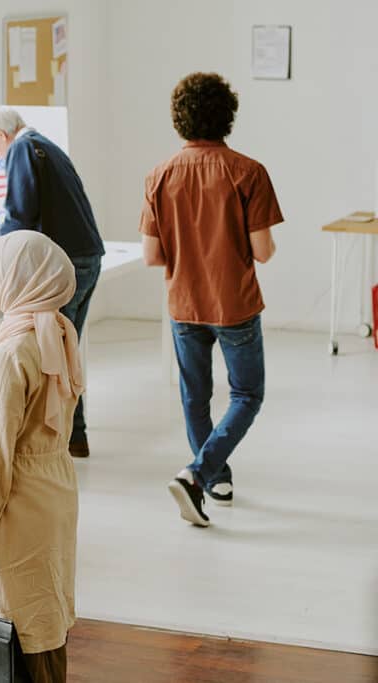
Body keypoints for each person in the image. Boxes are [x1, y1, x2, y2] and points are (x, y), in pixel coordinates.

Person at [141, 72, 283, 527]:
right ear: (228, 116)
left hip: (184, 303)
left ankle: (215, 478)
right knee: (247, 393)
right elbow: (263, 251)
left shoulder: (159, 175)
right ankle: (199, 474)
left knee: (195, 396)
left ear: (179, 119)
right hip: (235, 303)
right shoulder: (248, 171)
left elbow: (152, 256)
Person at [0, 231, 81, 683]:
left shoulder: (11, 351)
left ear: (21, 279)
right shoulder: (59, 332)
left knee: (10, 625)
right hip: (53, 496)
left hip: (15, 505)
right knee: (44, 622)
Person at [0, 105, 104, 458]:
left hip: (67, 263)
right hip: (86, 257)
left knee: (51, 353)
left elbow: (20, 213)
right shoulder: (45, 145)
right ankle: (73, 437)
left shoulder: (22, 148)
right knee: (64, 350)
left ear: (2, 136)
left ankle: (56, 439)